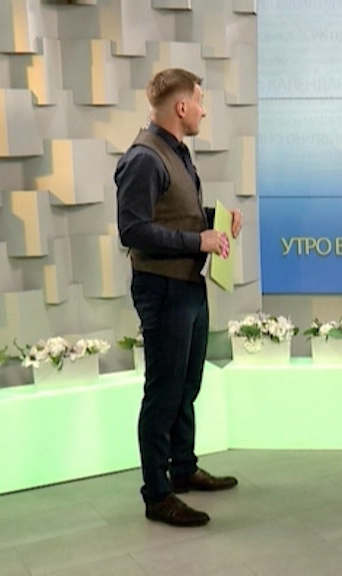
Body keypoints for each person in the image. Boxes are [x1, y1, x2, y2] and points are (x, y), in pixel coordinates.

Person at [117, 68, 242, 527]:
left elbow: (174, 214)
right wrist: (198, 241)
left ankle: (183, 468)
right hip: (163, 288)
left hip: (187, 285)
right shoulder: (144, 159)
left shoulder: (176, 152)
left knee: (187, 385)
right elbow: (133, 230)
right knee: (163, 393)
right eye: (200, 101)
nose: (204, 111)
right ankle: (157, 494)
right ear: (181, 106)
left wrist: (216, 220)